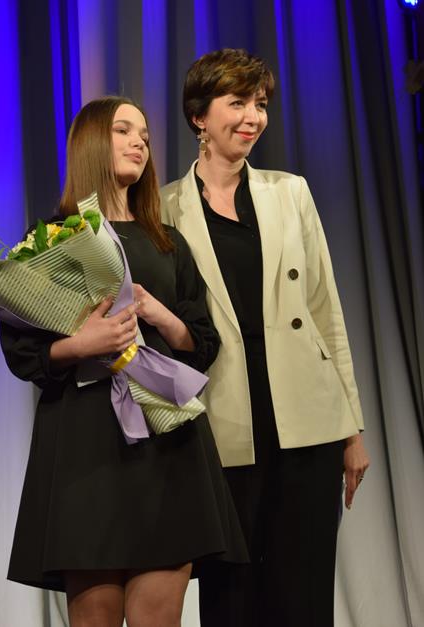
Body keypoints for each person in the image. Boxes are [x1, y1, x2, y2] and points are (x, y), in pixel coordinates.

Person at [0, 96, 245, 627]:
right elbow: (23, 354)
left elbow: (203, 344)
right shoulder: (51, 240)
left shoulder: (168, 243)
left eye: (146, 136)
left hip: (168, 446)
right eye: (124, 130)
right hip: (85, 450)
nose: (140, 142)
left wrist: (160, 314)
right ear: (91, 141)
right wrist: (82, 344)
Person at [160, 48, 370, 627]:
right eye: (238, 103)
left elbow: (326, 311)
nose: (253, 117)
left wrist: (351, 428)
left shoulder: (290, 191)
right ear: (199, 116)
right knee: (232, 598)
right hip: (223, 422)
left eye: (260, 104)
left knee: (304, 595)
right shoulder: (166, 207)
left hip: (307, 421)